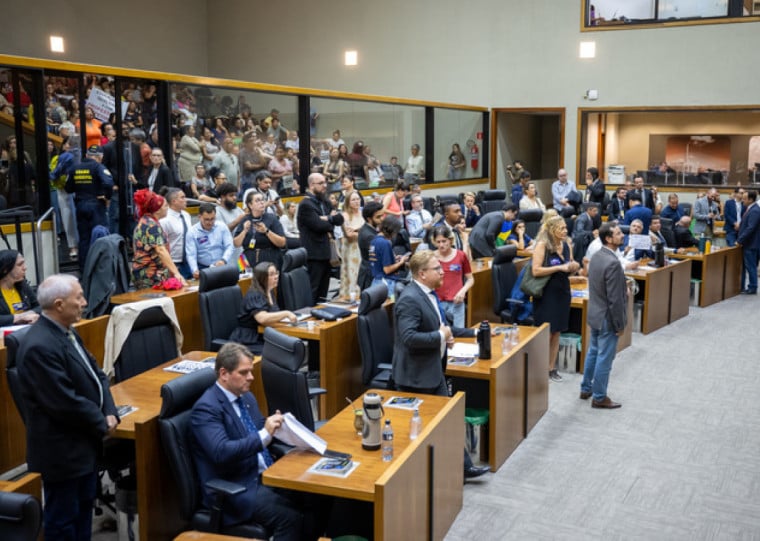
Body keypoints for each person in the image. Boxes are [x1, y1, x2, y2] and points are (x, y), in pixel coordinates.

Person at [17, 274, 120, 541]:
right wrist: (102, 424)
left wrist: (110, 409)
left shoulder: (66, 330)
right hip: (61, 452)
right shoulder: (39, 346)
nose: (85, 303)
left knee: (84, 511)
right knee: (64, 520)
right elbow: (64, 402)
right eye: (79, 298)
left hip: (82, 446)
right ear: (60, 304)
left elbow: (97, 374)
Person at [191, 342, 320, 539]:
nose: (251, 377)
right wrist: (265, 434)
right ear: (224, 374)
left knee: (316, 497)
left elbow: (261, 427)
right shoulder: (206, 409)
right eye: (244, 373)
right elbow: (221, 452)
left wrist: (280, 426)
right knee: (289, 518)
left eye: (250, 371)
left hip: (263, 475)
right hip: (235, 487)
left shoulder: (246, 397)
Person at [391, 250, 488, 479]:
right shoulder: (409, 300)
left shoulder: (429, 294)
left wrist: (467, 334)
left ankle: (461, 467)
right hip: (416, 376)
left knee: (447, 420)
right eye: (437, 268)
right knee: (422, 430)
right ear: (422, 273)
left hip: (433, 369)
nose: (442, 271)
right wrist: (441, 337)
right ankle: (428, 474)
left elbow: (442, 327)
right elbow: (409, 338)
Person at [580, 223, 628, 409]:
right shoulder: (613, 263)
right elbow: (615, 300)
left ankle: (586, 388)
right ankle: (599, 397)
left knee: (593, 351)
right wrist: (619, 324)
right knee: (605, 358)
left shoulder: (597, 256)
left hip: (595, 313)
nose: (622, 235)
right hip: (608, 317)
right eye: (617, 233)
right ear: (608, 238)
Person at [532, 215, 581, 382]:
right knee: (547, 332)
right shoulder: (542, 245)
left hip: (562, 291)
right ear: (552, 230)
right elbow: (536, 271)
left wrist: (575, 267)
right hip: (546, 293)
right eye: (561, 229)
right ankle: (538, 367)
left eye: (565, 228)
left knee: (557, 331)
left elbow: (570, 265)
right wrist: (559, 267)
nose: (565, 231)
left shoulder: (566, 244)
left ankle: (551, 368)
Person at [297, 173, 345, 304]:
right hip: (314, 254)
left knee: (324, 291)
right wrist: (330, 221)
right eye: (321, 183)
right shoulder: (306, 205)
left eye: (325, 183)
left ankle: (321, 316)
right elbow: (319, 226)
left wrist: (328, 219)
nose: (325, 186)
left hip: (327, 252)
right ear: (312, 185)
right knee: (314, 289)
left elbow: (340, 219)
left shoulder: (324, 201)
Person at [229, 263, 298, 352]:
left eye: (276, 273)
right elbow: (262, 318)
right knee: (281, 351)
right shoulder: (255, 294)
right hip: (248, 340)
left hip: (262, 335)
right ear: (262, 278)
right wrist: (286, 313)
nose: (276, 277)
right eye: (271, 274)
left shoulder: (269, 291)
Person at [64, 144, 113, 268]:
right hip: (96, 205)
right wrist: (106, 196)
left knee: (84, 238)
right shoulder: (98, 167)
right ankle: (99, 266)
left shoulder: (74, 168)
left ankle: (84, 267)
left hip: (80, 205)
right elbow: (108, 183)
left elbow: (68, 188)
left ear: (86, 155)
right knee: (99, 236)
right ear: (100, 157)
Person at [132, 189, 188, 289]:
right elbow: (161, 250)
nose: (167, 208)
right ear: (157, 209)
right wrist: (177, 274)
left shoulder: (145, 221)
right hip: (150, 276)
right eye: (165, 206)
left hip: (147, 273)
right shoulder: (151, 225)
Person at [431, 225, 473, 327]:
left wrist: (463, 291)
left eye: (444, 241)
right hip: (437, 302)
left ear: (450, 240)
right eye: (438, 242)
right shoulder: (431, 257)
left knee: (459, 335)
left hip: (456, 302)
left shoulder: (460, 255)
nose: (441, 245)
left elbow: (470, 279)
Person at [233, 191, 286, 270]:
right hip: (247, 257)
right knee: (243, 280)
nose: (261, 202)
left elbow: (282, 242)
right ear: (250, 205)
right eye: (257, 200)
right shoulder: (245, 219)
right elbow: (236, 243)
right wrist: (244, 231)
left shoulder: (272, 218)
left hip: (269, 256)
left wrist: (267, 231)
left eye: (262, 200)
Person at [186, 203, 235, 279]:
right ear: (199, 217)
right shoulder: (192, 232)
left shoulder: (222, 226)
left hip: (222, 265)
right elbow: (191, 255)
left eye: (212, 219)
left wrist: (224, 260)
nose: (210, 222)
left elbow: (229, 246)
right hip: (203, 267)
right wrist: (195, 270)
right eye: (206, 219)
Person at [159, 187, 193, 279]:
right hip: (174, 262)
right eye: (182, 197)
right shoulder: (165, 219)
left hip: (189, 261)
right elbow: (161, 244)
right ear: (174, 201)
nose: (185, 200)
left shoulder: (186, 215)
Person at [369, 216, 410, 293]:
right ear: (392, 230)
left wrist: (393, 259)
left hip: (376, 282)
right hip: (386, 283)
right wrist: (401, 262)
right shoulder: (385, 243)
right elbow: (387, 269)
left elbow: (379, 260)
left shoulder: (374, 241)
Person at [0, 249, 40, 325]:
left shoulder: (22, 285)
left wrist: (30, 314)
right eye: (19, 264)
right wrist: (19, 318)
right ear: (5, 269)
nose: (25, 268)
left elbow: (40, 307)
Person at [339, 190, 364, 297]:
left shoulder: (363, 213)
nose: (356, 202)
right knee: (351, 273)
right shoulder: (344, 216)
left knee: (362, 273)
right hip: (351, 249)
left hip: (363, 247)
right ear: (348, 202)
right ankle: (351, 296)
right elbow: (349, 235)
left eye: (358, 199)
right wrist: (363, 233)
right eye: (353, 199)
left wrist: (356, 232)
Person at [737, 190, 760, 295]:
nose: (742, 200)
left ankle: (753, 287)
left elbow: (750, 228)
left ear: (751, 199)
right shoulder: (750, 209)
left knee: (751, 266)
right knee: (749, 265)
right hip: (748, 243)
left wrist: (740, 240)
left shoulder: (755, 210)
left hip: (751, 244)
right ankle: (749, 286)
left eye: (745, 198)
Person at [357, 201, 384, 290]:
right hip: (370, 276)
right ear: (369, 219)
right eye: (378, 217)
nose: (382, 219)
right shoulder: (368, 235)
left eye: (382, 216)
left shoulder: (369, 230)